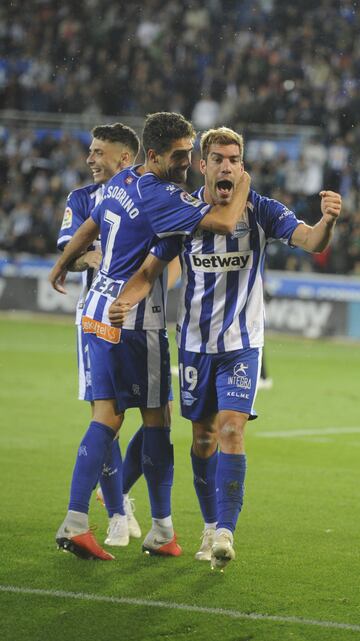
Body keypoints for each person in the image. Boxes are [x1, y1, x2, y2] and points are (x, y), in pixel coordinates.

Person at [108, 126, 342, 570]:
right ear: (203, 164)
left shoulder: (261, 211)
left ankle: (225, 532)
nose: (227, 166)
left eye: (234, 159)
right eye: (218, 158)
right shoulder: (186, 212)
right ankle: (210, 523)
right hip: (196, 345)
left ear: (242, 166)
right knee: (203, 438)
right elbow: (152, 268)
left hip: (242, 345)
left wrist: (327, 221)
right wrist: (125, 299)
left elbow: (311, 241)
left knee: (232, 430)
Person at [49, 112, 250, 561]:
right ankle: (159, 529)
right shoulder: (163, 197)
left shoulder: (123, 182)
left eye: (190, 153)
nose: (188, 162)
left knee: (108, 415)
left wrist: (63, 262)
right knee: (154, 420)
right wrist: (244, 181)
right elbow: (222, 222)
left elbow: (95, 223)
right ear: (153, 155)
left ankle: (79, 519)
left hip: (97, 312)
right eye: (180, 156)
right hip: (137, 323)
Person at [56, 122, 146, 549]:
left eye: (98, 152)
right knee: (104, 415)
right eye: (89, 152)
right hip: (98, 319)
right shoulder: (80, 199)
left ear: (124, 158)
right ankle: (114, 512)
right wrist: (93, 254)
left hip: (144, 321)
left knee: (153, 415)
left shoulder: (147, 193)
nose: (90, 159)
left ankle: (129, 507)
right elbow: (70, 253)